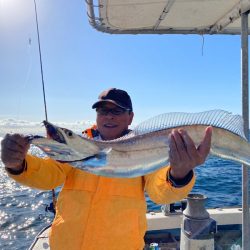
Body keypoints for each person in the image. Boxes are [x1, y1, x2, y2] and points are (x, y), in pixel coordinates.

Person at [1, 88, 212, 250]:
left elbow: (160, 192)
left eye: (117, 111)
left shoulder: (145, 148)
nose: (109, 116)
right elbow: (48, 176)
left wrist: (179, 174)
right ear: (96, 116)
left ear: (131, 117)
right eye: (103, 110)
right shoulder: (77, 148)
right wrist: (18, 164)